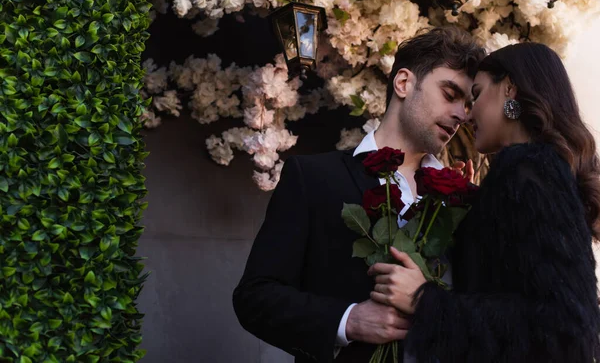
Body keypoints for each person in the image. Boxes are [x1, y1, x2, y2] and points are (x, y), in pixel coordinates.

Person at [232, 26, 486, 363]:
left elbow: (487, 310)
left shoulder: (465, 200)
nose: (461, 115)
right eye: (450, 94)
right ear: (404, 83)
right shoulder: (312, 179)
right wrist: (348, 320)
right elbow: (255, 297)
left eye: (468, 104)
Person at [369, 42, 600, 362]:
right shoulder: (527, 171)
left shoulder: (529, 171)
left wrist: (425, 301)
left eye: (475, 95)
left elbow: (566, 326)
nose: (466, 113)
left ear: (509, 89)